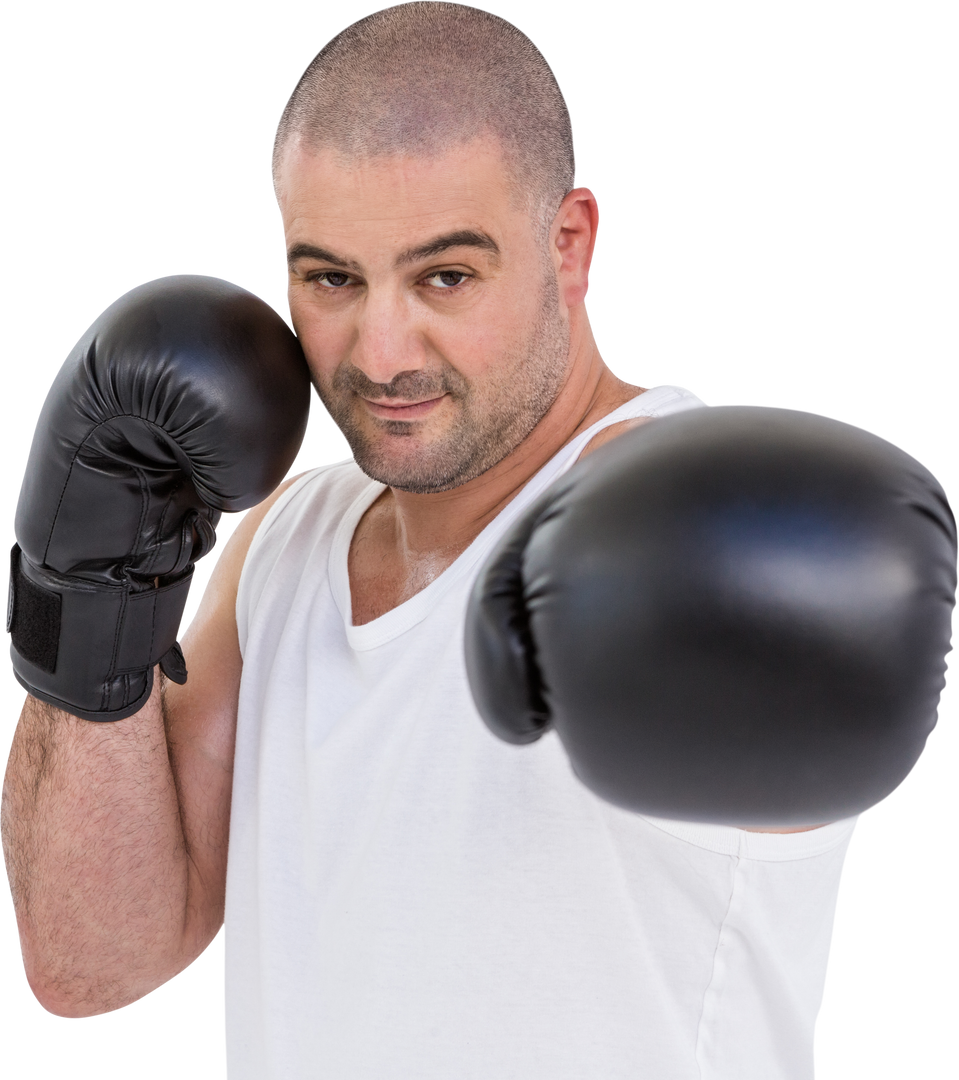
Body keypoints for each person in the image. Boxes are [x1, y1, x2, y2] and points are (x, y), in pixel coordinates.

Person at [1, 4, 951, 1078]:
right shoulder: (282, 535)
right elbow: (90, 965)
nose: (381, 351)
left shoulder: (676, 520)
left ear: (569, 244)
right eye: (331, 280)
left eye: (443, 277)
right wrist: (80, 601)